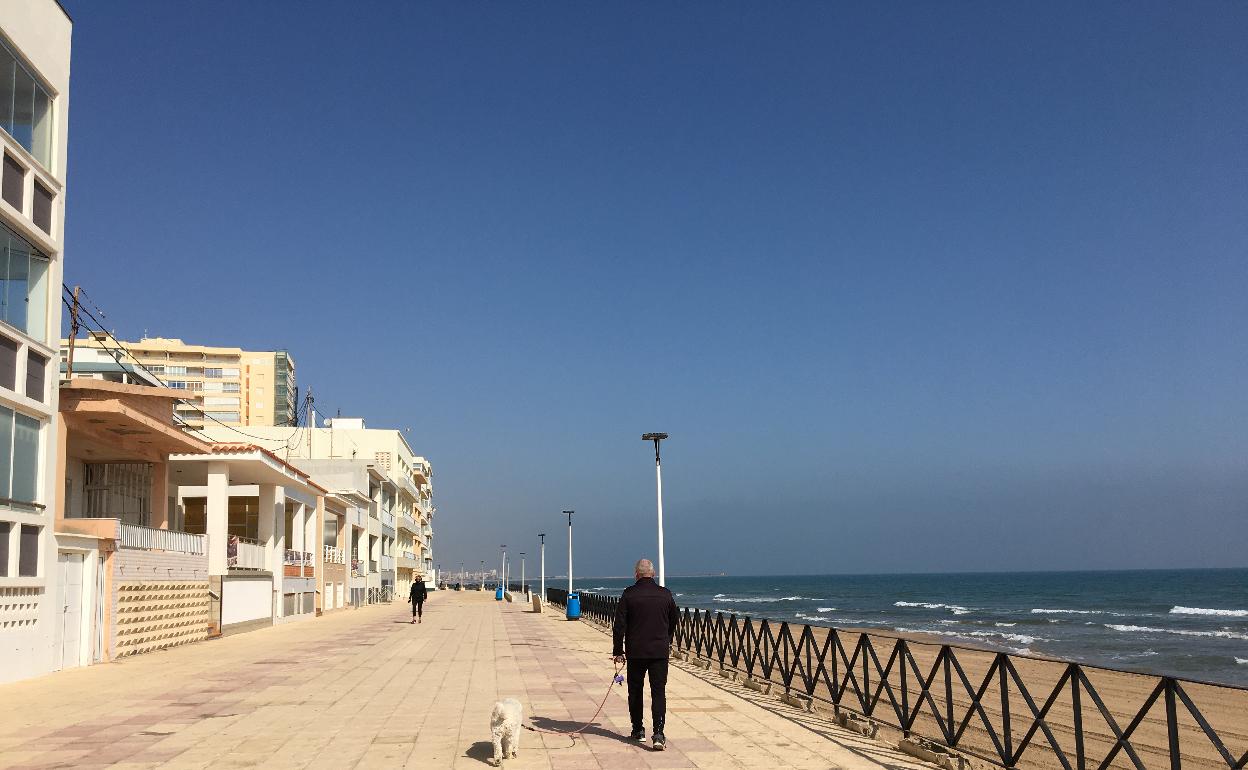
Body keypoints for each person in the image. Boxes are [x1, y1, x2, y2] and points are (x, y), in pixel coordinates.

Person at [612, 558, 679, 751]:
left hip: (636, 652)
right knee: (658, 692)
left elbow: (619, 626)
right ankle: (658, 734)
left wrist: (618, 651)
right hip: (659, 651)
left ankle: (638, 730)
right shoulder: (665, 594)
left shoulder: (629, 594)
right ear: (653, 574)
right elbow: (674, 620)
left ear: (636, 574)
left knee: (635, 691)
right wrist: (665, 639)